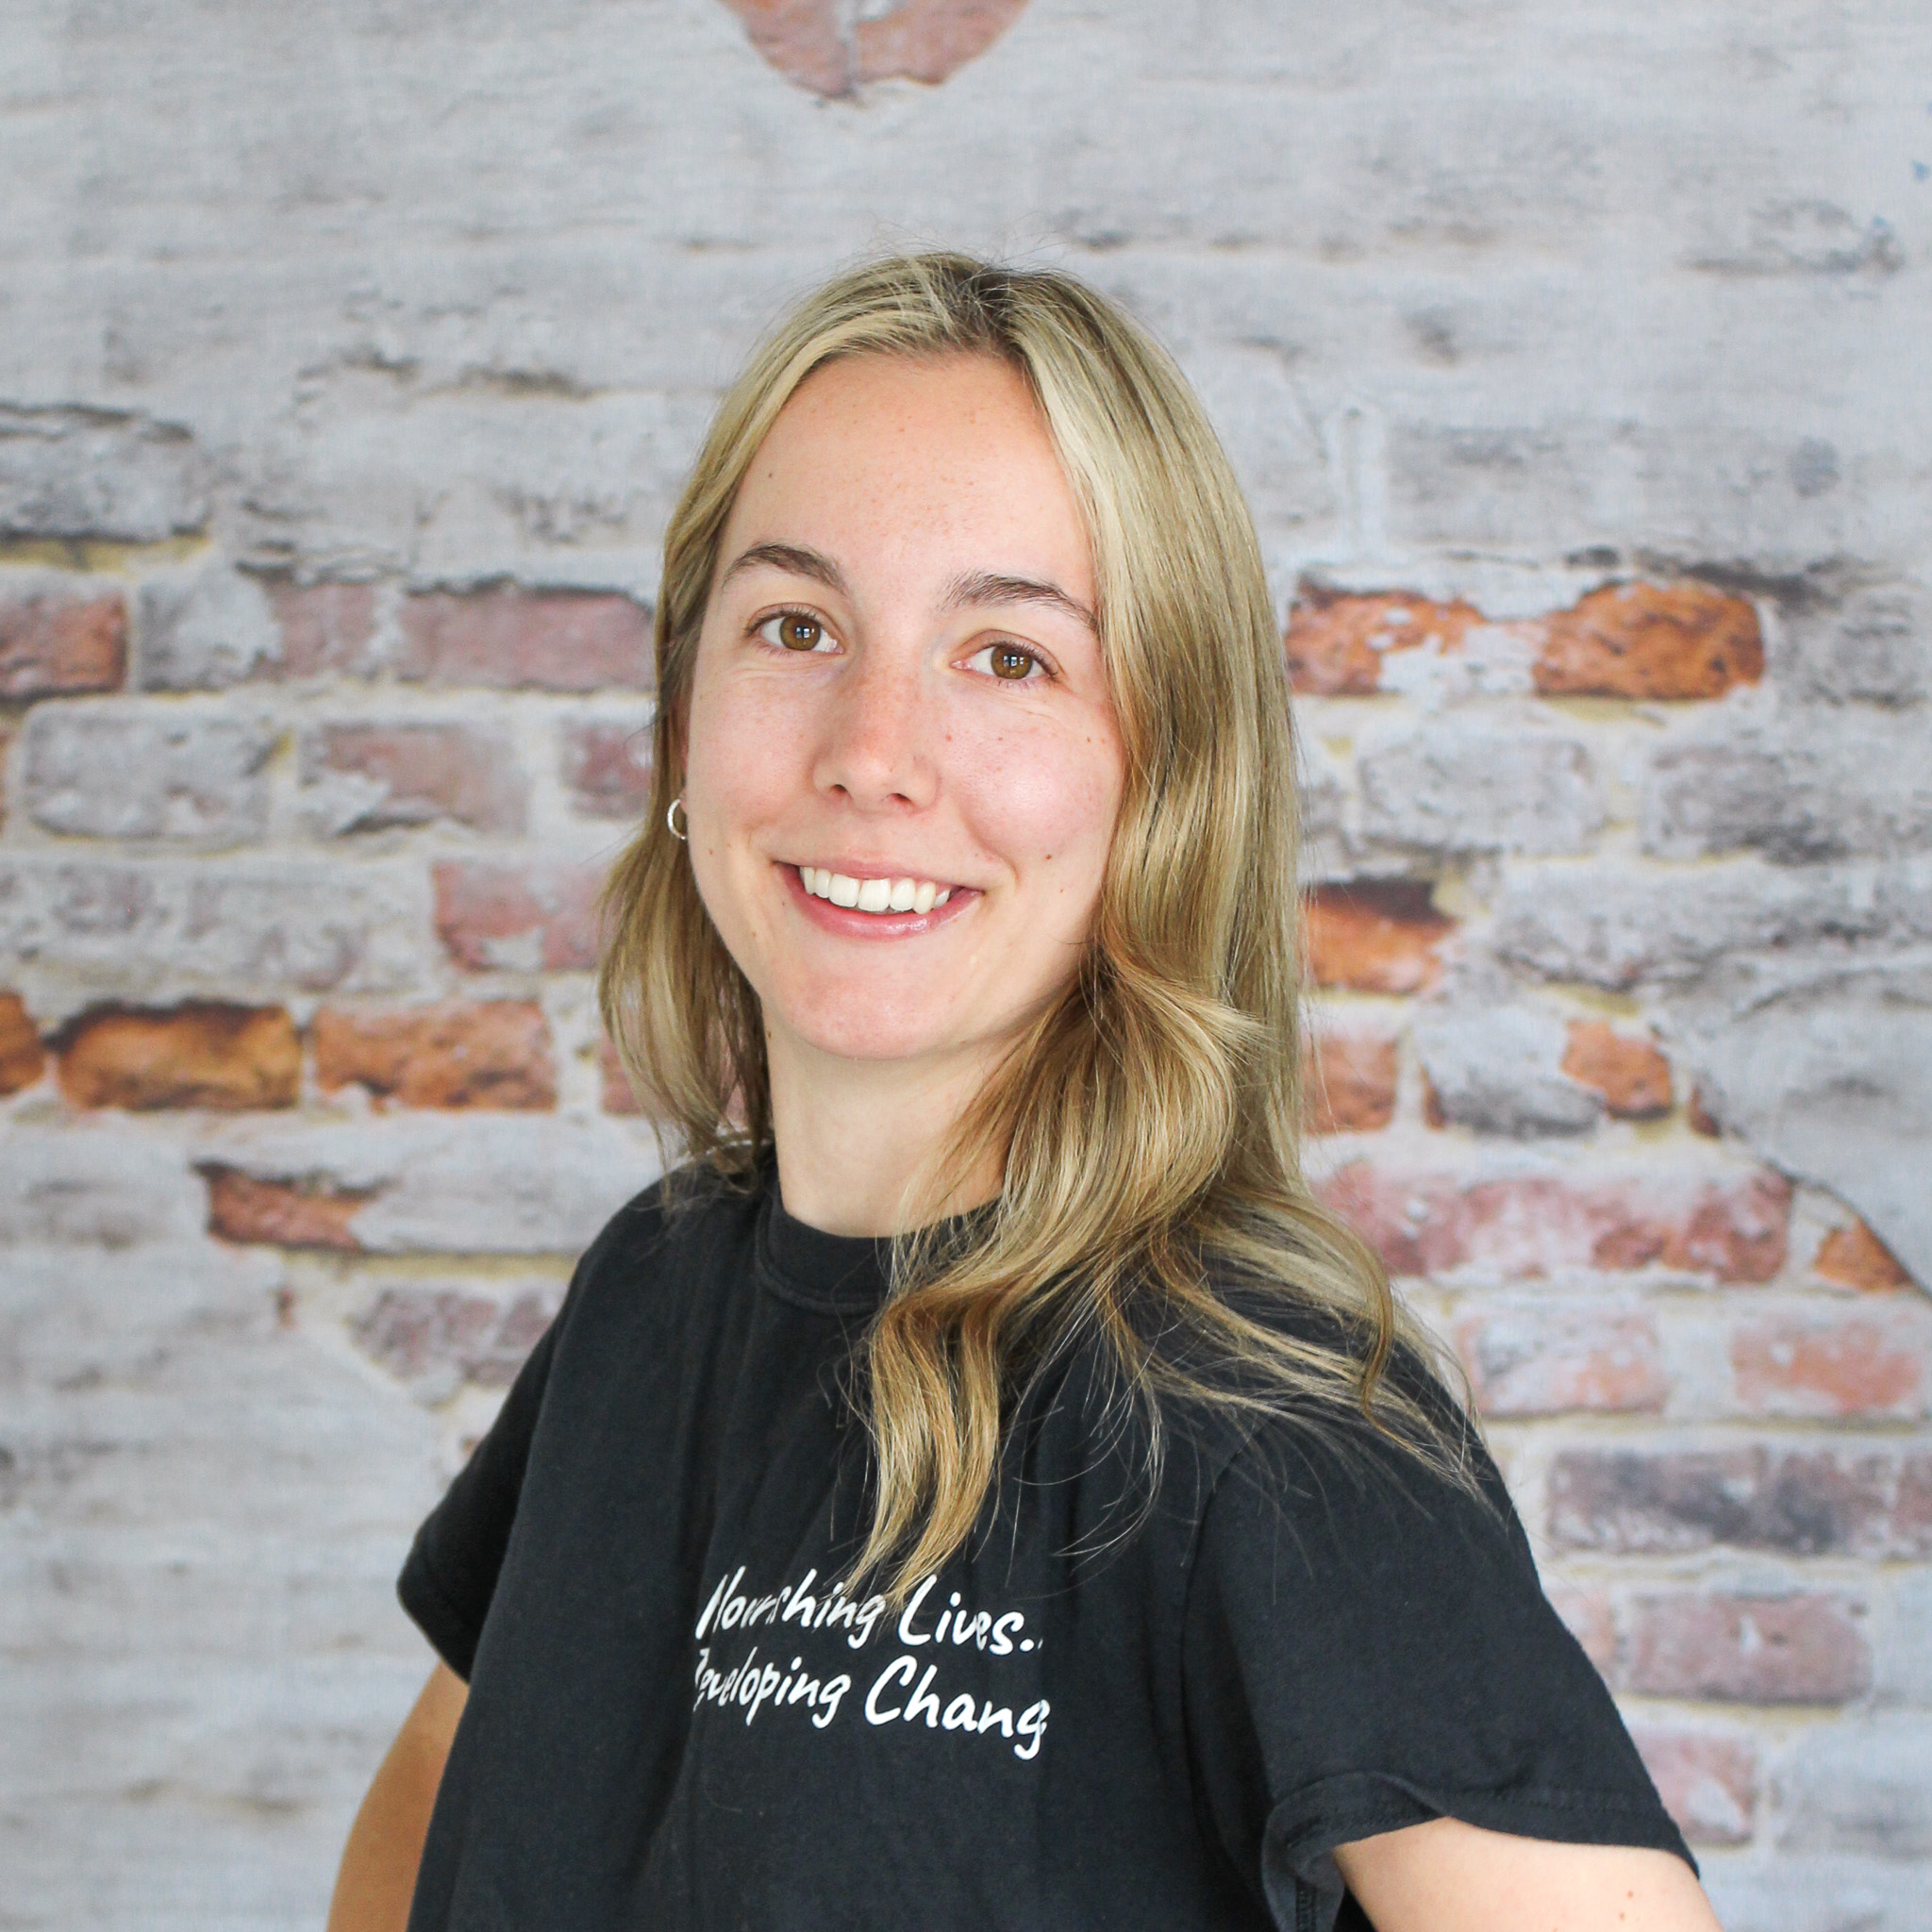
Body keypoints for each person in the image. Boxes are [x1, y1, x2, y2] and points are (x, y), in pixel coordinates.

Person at [326, 253, 1722, 1932]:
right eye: (795, 625)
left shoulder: (1256, 1421)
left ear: (1168, 778)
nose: (872, 746)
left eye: (1007, 657)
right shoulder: (650, 1289)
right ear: (683, 712)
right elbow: (431, 1807)